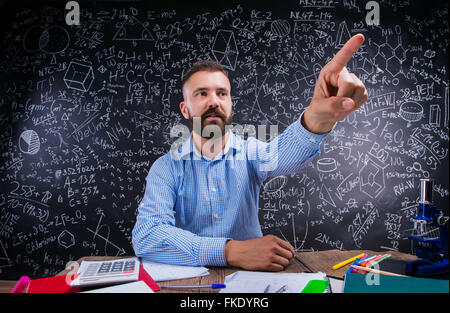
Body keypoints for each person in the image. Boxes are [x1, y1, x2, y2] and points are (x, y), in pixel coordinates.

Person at [132, 34, 368, 271]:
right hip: (188, 282)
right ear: (185, 109)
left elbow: (285, 155)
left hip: (252, 279)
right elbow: (147, 235)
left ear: (231, 103)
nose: (214, 101)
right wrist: (230, 251)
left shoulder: (250, 152)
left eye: (222, 93)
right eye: (201, 93)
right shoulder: (167, 167)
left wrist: (317, 117)